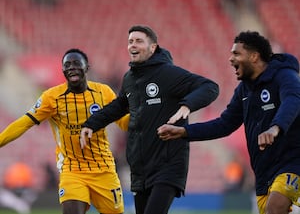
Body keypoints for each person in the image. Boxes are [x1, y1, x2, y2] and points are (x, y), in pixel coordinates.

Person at [80, 25, 219, 214]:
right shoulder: (129, 78)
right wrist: (91, 124)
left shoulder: (168, 74)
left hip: (167, 165)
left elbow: (210, 87)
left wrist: (187, 105)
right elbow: (119, 106)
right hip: (141, 169)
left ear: (153, 48)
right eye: (130, 41)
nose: (132, 45)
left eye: (139, 41)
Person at [157, 31, 300, 214]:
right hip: (265, 174)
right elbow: (224, 124)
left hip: (293, 164)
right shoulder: (243, 91)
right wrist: (184, 132)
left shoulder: (284, 76)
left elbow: (293, 100)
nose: (231, 59)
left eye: (236, 54)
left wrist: (275, 128)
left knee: (274, 209)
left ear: (254, 56)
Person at [0, 48, 129, 214]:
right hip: (72, 170)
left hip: (103, 170)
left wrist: (141, 119)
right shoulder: (52, 97)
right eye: (67, 64)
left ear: (87, 68)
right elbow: (24, 122)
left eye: (76, 63)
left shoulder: (103, 93)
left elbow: (124, 123)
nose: (71, 67)